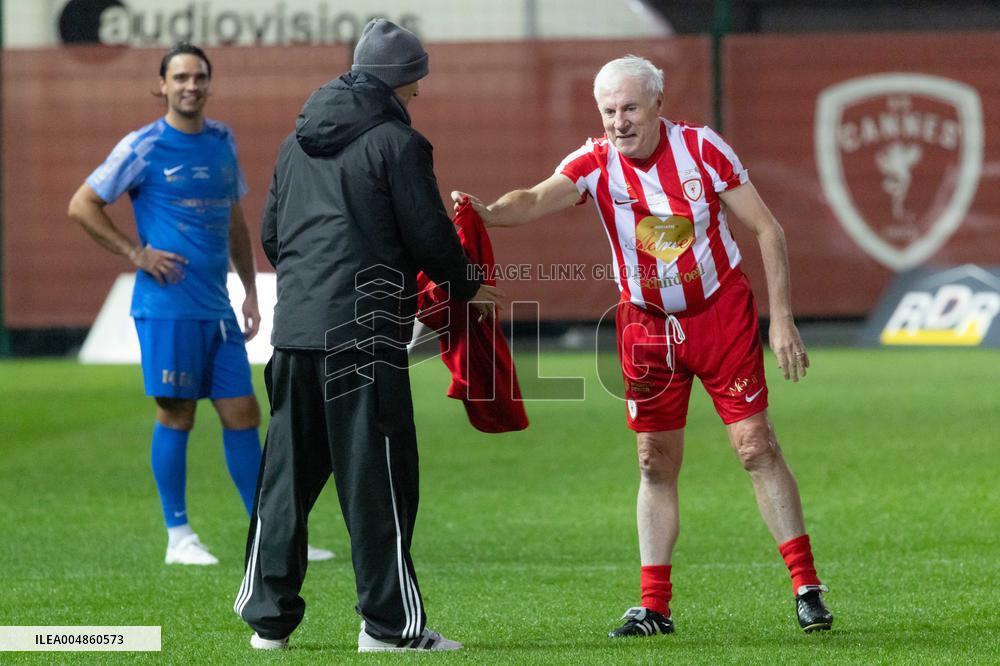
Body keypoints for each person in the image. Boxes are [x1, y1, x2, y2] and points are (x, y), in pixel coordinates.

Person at [452, 55, 834, 636]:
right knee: (654, 460)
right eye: (608, 111)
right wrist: (486, 213)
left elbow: (767, 230)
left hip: (719, 315)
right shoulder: (594, 162)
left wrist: (781, 320)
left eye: (629, 108)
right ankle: (654, 606)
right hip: (646, 327)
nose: (618, 122)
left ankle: (806, 587)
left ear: (657, 104)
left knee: (755, 444)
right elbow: (531, 199)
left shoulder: (703, 150)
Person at [233, 19, 502, 653]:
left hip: (294, 332)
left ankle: (268, 623)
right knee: (378, 481)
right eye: (416, 82)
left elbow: (273, 236)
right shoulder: (398, 144)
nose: (420, 95)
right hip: (362, 338)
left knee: (286, 481)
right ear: (400, 81)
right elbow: (429, 235)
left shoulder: (294, 143)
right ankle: (388, 627)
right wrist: (467, 284)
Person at [67, 42, 333, 566]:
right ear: (161, 86)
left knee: (244, 413)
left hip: (217, 308)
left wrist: (251, 289)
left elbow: (234, 219)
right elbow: (82, 204)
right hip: (167, 307)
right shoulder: (142, 146)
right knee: (178, 414)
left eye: (200, 77)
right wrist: (135, 253)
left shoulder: (221, 139)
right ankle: (179, 536)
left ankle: (268, 533)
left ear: (210, 84)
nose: (191, 85)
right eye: (181, 77)